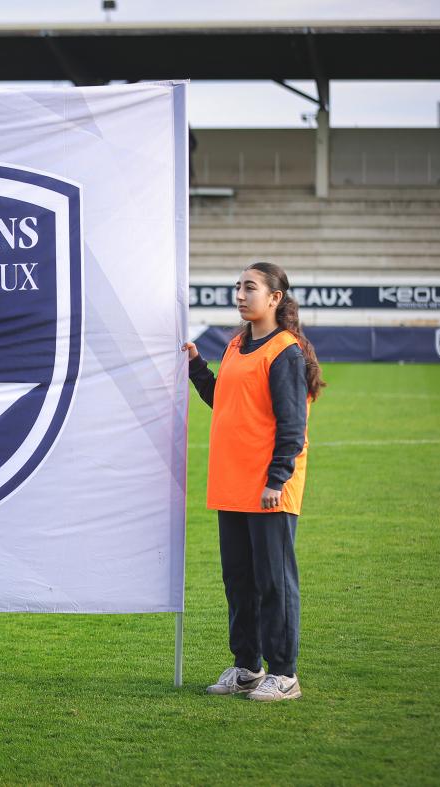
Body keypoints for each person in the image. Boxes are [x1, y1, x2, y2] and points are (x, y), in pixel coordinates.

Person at [183, 261, 325, 702]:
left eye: (250, 288)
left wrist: (276, 479)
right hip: (231, 483)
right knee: (239, 581)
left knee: (274, 582)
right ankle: (247, 667)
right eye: (238, 287)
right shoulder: (237, 344)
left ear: (275, 298)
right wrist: (197, 368)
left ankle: (284, 674)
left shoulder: (285, 351)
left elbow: (292, 425)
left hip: (269, 489)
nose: (240, 295)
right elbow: (224, 401)